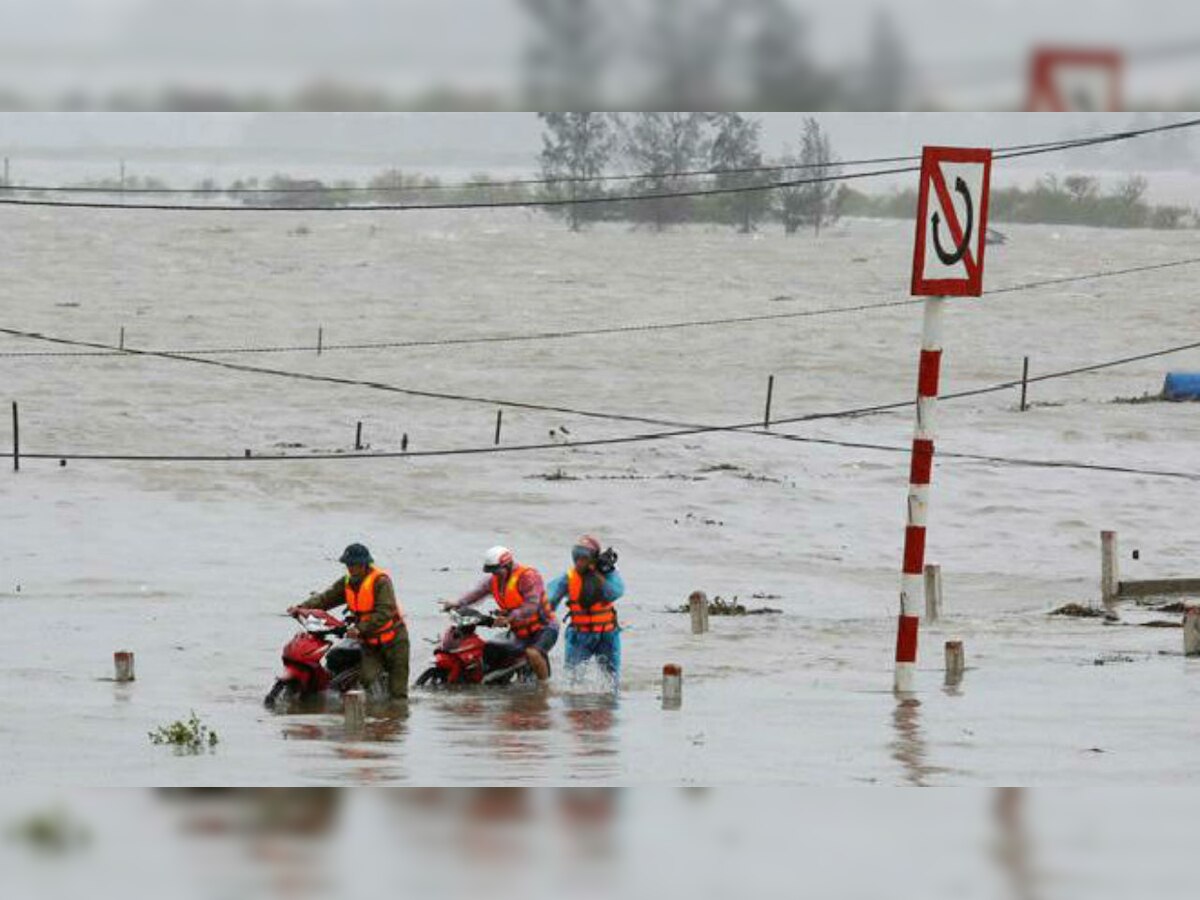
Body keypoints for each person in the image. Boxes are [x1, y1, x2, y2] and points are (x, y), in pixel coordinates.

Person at [288, 543, 409, 700]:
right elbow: (326, 598)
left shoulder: (381, 582)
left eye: (353, 564)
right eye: (347, 564)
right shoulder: (347, 582)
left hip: (394, 640)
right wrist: (301, 607)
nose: (350, 568)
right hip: (369, 642)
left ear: (364, 564)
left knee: (398, 692)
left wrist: (359, 628)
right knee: (367, 678)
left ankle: (395, 719)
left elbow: (385, 612)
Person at [442, 546, 558, 681]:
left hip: (544, 627)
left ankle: (544, 689)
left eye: (497, 570)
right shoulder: (494, 580)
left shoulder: (528, 577)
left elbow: (532, 605)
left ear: (507, 565)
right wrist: (458, 603)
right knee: (490, 649)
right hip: (519, 630)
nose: (495, 574)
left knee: (533, 653)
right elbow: (477, 592)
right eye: (492, 571)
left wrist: (510, 617)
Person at [547, 535, 624, 686]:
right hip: (579, 636)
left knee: (612, 679)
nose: (579, 561)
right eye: (576, 556)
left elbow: (616, 592)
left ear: (593, 558)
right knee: (573, 679)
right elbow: (549, 601)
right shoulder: (567, 578)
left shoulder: (607, 573)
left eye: (584, 557)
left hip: (607, 635)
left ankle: (609, 704)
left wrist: (600, 574)